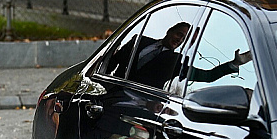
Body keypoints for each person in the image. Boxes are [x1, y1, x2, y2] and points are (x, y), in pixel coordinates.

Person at [107, 22, 251, 88]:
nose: (180, 40)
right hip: (113, 91)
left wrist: (234, 64)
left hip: (140, 104)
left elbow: (207, 76)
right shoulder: (139, 40)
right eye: (179, 34)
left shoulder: (174, 62)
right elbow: (112, 61)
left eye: (185, 39)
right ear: (170, 30)